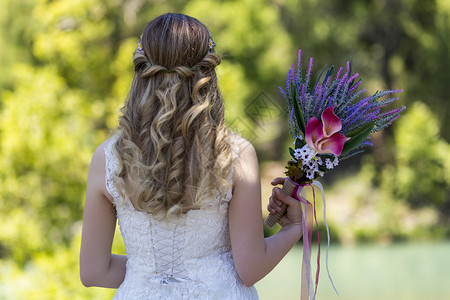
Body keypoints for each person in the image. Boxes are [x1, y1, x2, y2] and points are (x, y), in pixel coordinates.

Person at [79, 13, 303, 299]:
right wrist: (294, 228)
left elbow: (93, 272)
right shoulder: (234, 155)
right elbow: (250, 267)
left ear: (142, 73)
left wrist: (146, 273)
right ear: (208, 77)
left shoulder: (109, 158)